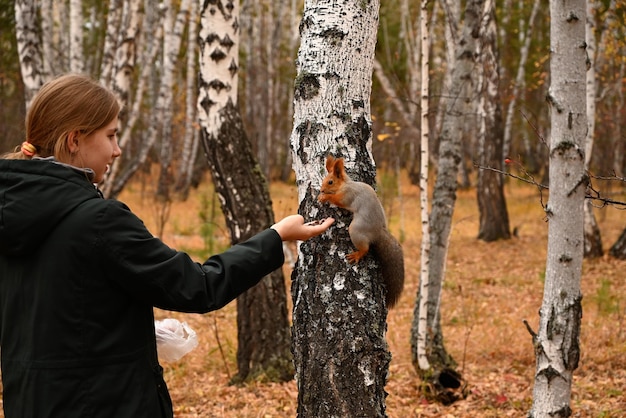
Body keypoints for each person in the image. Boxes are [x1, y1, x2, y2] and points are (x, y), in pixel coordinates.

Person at [0, 73, 334, 418]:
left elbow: (56, 316)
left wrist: (135, 331)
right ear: (74, 140)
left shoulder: (11, 215)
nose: (117, 149)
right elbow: (199, 286)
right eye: (111, 135)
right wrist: (276, 236)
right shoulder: (98, 221)